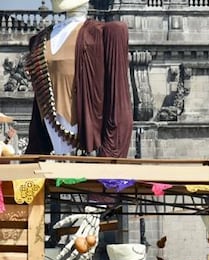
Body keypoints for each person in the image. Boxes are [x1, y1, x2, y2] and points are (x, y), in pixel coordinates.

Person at [25, 0, 132, 157]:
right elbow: (39, 105)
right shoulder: (39, 40)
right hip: (53, 147)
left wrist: (109, 162)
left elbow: (119, 104)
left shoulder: (106, 33)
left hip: (88, 150)